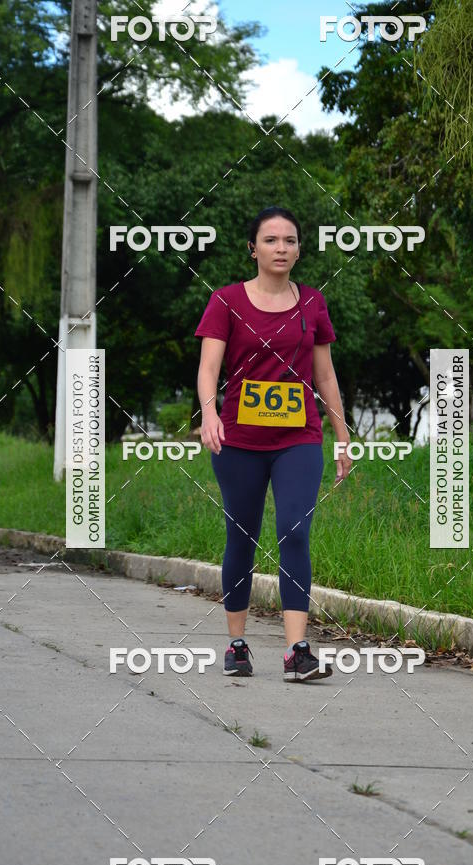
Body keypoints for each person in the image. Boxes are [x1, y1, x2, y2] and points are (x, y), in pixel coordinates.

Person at [194, 206, 352, 682]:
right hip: (239, 439)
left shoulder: (313, 304)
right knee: (241, 536)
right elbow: (208, 369)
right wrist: (207, 412)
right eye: (271, 240)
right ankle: (237, 645)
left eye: (290, 240)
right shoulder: (225, 302)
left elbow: (324, 374)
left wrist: (342, 436)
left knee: (295, 531)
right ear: (253, 248)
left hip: (299, 438)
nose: (281, 248)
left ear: (299, 248)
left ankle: (296, 651)